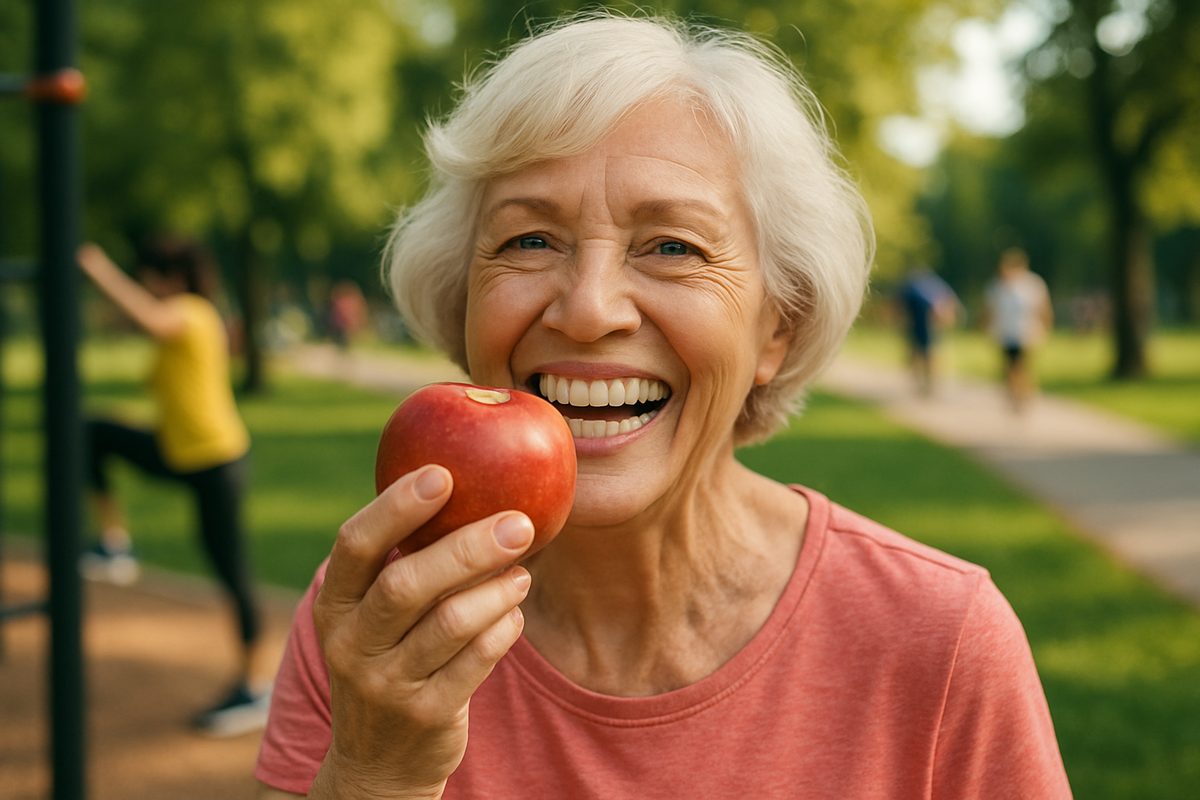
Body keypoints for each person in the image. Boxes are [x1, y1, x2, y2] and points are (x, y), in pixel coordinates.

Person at [255, 14, 1072, 799]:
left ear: (776, 330)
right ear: (464, 297)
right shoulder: (381, 626)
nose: (588, 308)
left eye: (673, 246)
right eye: (529, 240)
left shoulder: (941, 639)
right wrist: (375, 776)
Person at [78, 236, 273, 736]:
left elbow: (148, 318)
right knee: (93, 433)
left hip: (215, 461)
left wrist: (96, 267)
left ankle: (253, 686)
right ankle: (113, 542)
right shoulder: (184, 317)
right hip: (180, 453)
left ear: (169, 278)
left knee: (231, 569)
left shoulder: (192, 312)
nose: (145, 283)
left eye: (149, 275)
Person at [984, 247, 1054, 412]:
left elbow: (1043, 308)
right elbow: (989, 310)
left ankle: (1025, 394)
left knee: (1023, 365)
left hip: (1027, 332)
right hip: (1005, 333)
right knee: (1008, 366)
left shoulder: (1033, 284)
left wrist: (1046, 326)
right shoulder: (997, 287)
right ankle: (1014, 394)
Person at [896, 265, 961, 396]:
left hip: (922, 326)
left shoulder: (914, 287)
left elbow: (900, 306)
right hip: (927, 326)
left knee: (921, 354)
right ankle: (927, 383)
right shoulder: (935, 285)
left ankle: (925, 383)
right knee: (927, 354)